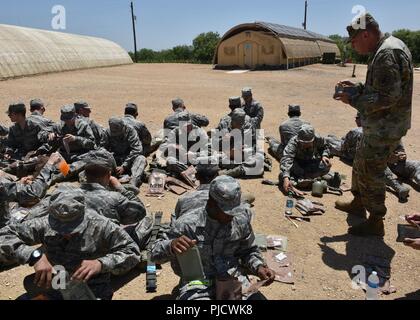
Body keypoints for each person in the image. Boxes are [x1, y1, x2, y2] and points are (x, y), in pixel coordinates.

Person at [334, 13, 413, 236]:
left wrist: (354, 100)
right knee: (360, 162)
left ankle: (376, 220)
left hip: (384, 128)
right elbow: (381, 87)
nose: (354, 46)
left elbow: (388, 97)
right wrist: (358, 86)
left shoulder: (387, 52)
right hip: (380, 125)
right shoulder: (387, 47)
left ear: (366, 34)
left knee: (372, 172)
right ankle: (359, 203)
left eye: (354, 41)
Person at [0, 188, 141, 300]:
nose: (66, 233)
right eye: (59, 227)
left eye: (73, 227)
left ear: (83, 215)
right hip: (54, 288)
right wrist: (34, 256)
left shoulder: (102, 225)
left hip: (92, 291)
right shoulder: (44, 224)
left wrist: (101, 263)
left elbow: (132, 251)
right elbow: (4, 235)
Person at [151, 176, 275, 300]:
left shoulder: (240, 219)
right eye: (227, 211)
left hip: (233, 278)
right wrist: (171, 245)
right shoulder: (186, 225)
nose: (232, 216)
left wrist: (259, 267)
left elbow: (249, 250)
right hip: (198, 283)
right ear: (211, 203)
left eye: (234, 210)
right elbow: (153, 254)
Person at [0, 153, 61, 228]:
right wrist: (50, 164)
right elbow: (33, 192)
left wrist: (19, 184)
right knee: (50, 202)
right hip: (5, 229)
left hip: (7, 215)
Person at [281, 124, 331, 193]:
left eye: (308, 143)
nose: (305, 145)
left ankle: (307, 179)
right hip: (298, 164)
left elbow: (325, 147)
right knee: (286, 174)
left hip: (311, 162)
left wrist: (325, 155)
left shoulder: (318, 138)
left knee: (326, 164)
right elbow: (287, 158)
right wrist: (286, 178)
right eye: (303, 142)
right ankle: (306, 178)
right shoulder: (293, 143)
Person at [215, 108, 264, 178]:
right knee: (212, 158)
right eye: (237, 123)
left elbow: (252, 145)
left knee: (259, 159)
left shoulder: (247, 126)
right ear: (232, 120)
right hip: (225, 154)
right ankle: (241, 167)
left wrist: (242, 150)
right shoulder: (224, 125)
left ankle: (229, 172)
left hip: (242, 155)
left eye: (241, 123)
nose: (239, 126)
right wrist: (223, 140)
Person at [101, 117, 147, 188]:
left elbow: (137, 149)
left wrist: (124, 166)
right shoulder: (107, 132)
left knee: (141, 159)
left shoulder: (130, 131)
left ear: (123, 126)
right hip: (115, 159)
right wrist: (110, 160)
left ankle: (132, 183)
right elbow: (102, 149)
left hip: (129, 159)